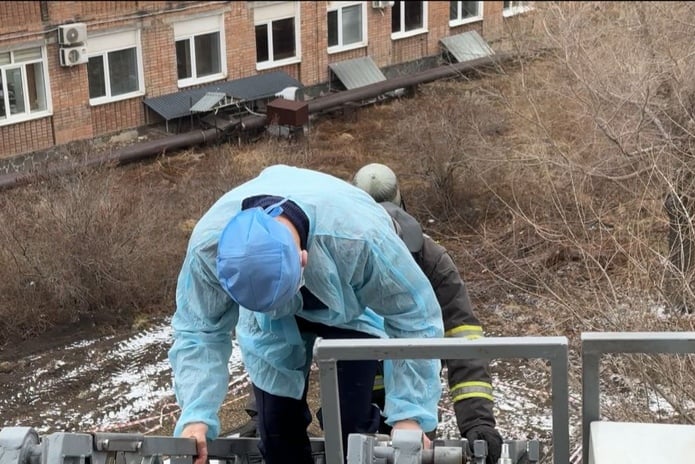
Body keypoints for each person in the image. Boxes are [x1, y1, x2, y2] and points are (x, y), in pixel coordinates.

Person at [168, 164, 444, 464]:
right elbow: (199, 330)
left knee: (352, 427)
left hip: (348, 308)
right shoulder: (208, 247)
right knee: (276, 430)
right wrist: (196, 417)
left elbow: (414, 316)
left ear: (303, 260)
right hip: (266, 326)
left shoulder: (361, 239)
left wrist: (410, 417)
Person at [238, 163, 504, 464]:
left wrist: (477, 422)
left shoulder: (429, 262)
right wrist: (266, 412)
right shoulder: (342, 247)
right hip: (353, 399)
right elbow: (279, 325)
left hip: (408, 395)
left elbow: (462, 340)